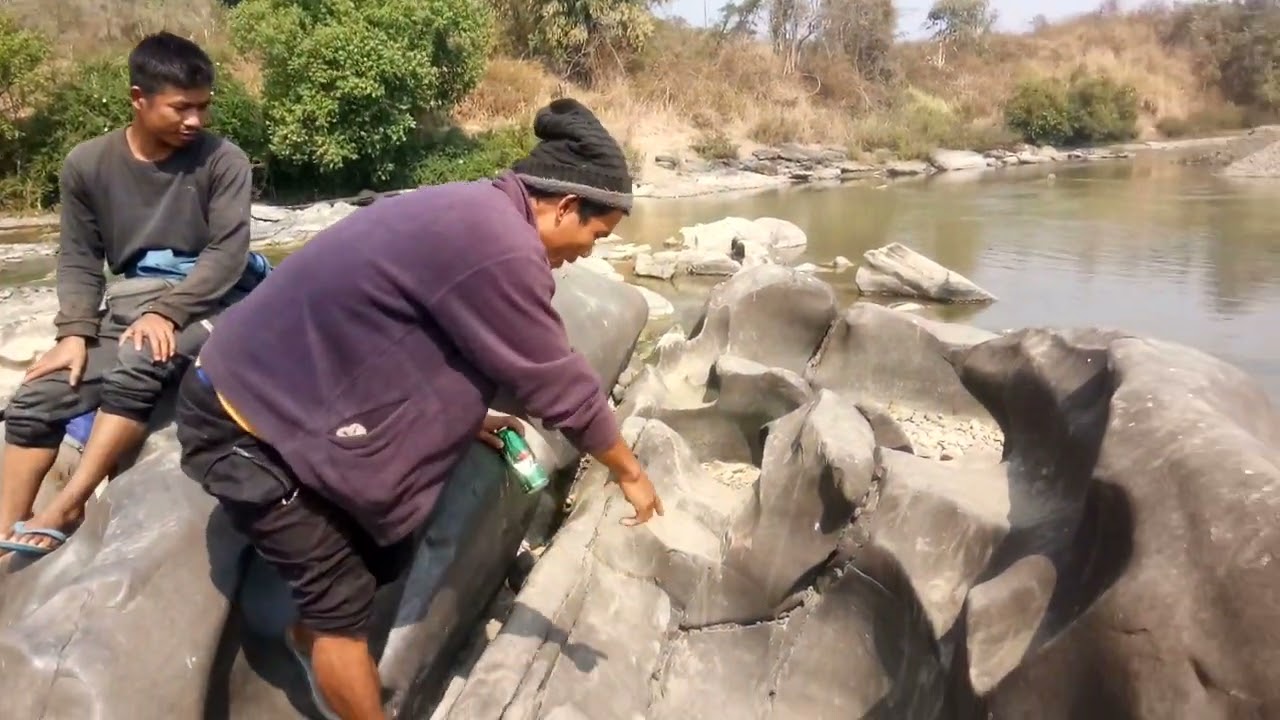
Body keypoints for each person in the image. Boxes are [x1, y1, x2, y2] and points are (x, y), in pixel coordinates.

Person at [173, 97, 664, 720]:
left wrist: (467, 418)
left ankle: (311, 640)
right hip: (244, 424)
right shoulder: (502, 245)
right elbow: (556, 382)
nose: (590, 253)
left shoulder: (474, 208)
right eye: (595, 235)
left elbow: (409, 331)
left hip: (291, 392)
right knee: (339, 607)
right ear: (566, 205)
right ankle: (324, 645)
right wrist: (629, 471)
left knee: (387, 549)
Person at [0, 32, 266, 558]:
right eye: (182, 108)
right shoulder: (87, 164)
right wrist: (74, 332)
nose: (197, 120)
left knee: (140, 361)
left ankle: (69, 504)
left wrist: (168, 312)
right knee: (37, 396)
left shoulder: (223, 161)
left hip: (213, 298)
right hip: (127, 304)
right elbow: (78, 256)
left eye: (204, 106)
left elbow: (227, 254)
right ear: (138, 99)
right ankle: (7, 528)